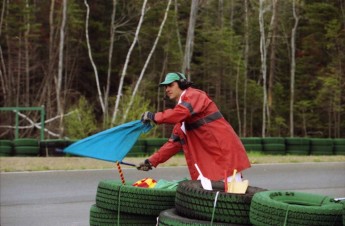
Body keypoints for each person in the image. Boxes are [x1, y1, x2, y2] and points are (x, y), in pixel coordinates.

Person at [138, 72, 251, 182]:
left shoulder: (194, 95)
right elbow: (173, 144)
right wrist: (151, 161)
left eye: (171, 85)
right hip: (211, 159)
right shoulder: (181, 116)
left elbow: (180, 113)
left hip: (224, 154)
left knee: (232, 195)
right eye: (165, 87)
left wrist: (154, 116)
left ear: (182, 84)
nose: (167, 89)